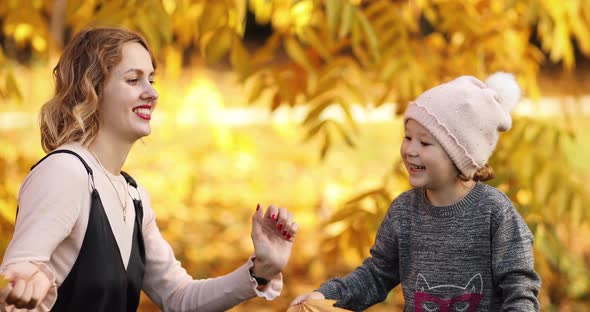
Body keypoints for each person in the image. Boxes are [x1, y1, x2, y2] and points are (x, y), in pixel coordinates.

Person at [0, 27, 298, 312]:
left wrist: (260, 271)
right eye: (133, 80)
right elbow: (15, 280)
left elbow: (179, 297)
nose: (152, 94)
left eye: (151, 80)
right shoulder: (64, 173)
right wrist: (24, 287)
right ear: (91, 89)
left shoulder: (133, 196)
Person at [291, 73, 541, 311]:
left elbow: (519, 288)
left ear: (460, 156)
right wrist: (326, 296)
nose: (410, 149)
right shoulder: (404, 211)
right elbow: (376, 275)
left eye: (424, 142)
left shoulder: (494, 212)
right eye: (408, 137)